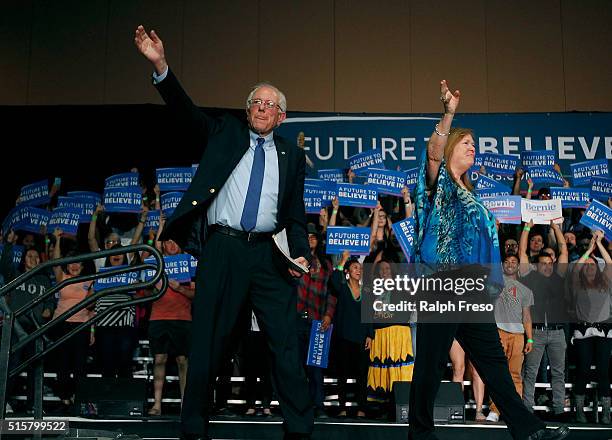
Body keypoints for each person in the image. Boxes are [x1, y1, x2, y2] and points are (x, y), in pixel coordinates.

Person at [134, 26, 313, 440]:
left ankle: (300, 429)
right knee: (209, 342)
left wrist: (300, 253)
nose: (263, 107)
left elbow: (295, 216)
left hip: (268, 255)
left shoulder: (293, 156)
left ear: (281, 116)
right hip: (223, 250)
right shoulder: (225, 133)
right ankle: (194, 426)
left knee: (285, 342)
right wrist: (161, 65)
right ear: (247, 110)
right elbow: (186, 112)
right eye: (256, 102)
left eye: (271, 104)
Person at [407, 80, 567, 440]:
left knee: (493, 364)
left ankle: (528, 430)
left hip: (473, 287)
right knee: (431, 364)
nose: (473, 149)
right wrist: (448, 115)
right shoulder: (439, 184)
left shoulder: (473, 194)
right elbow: (433, 154)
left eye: (475, 145)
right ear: (450, 148)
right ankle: (419, 434)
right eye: (466, 144)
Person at [569, 230, 611, 424]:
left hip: (604, 331)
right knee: (583, 370)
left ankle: (606, 412)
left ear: (597, 268)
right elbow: (576, 267)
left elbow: (609, 264)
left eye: (592, 265)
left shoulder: (607, 283)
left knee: (604, 371)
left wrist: (599, 244)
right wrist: (589, 250)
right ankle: (578, 411)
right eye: (587, 266)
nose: (589, 268)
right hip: (584, 332)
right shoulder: (578, 284)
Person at [486, 253, 534, 422]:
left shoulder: (526, 291)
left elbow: (527, 316)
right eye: (507, 262)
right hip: (498, 331)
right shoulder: (494, 284)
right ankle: (495, 410)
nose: (510, 264)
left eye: (514, 262)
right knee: (498, 373)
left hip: (518, 335)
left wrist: (530, 338)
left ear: (519, 266)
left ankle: (515, 413)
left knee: (515, 375)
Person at [329, 255, 372, 418]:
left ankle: (362, 407)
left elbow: (369, 314)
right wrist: (341, 263)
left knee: (362, 374)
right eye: (355, 268)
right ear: (347, 272)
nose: (358, 270)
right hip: (344, 338)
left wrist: (370, 335)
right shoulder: (341, 287)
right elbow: (332, 279)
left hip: (361, 338)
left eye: (360, 268)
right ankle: (342, 407)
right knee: (343, 374)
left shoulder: (366, 290)